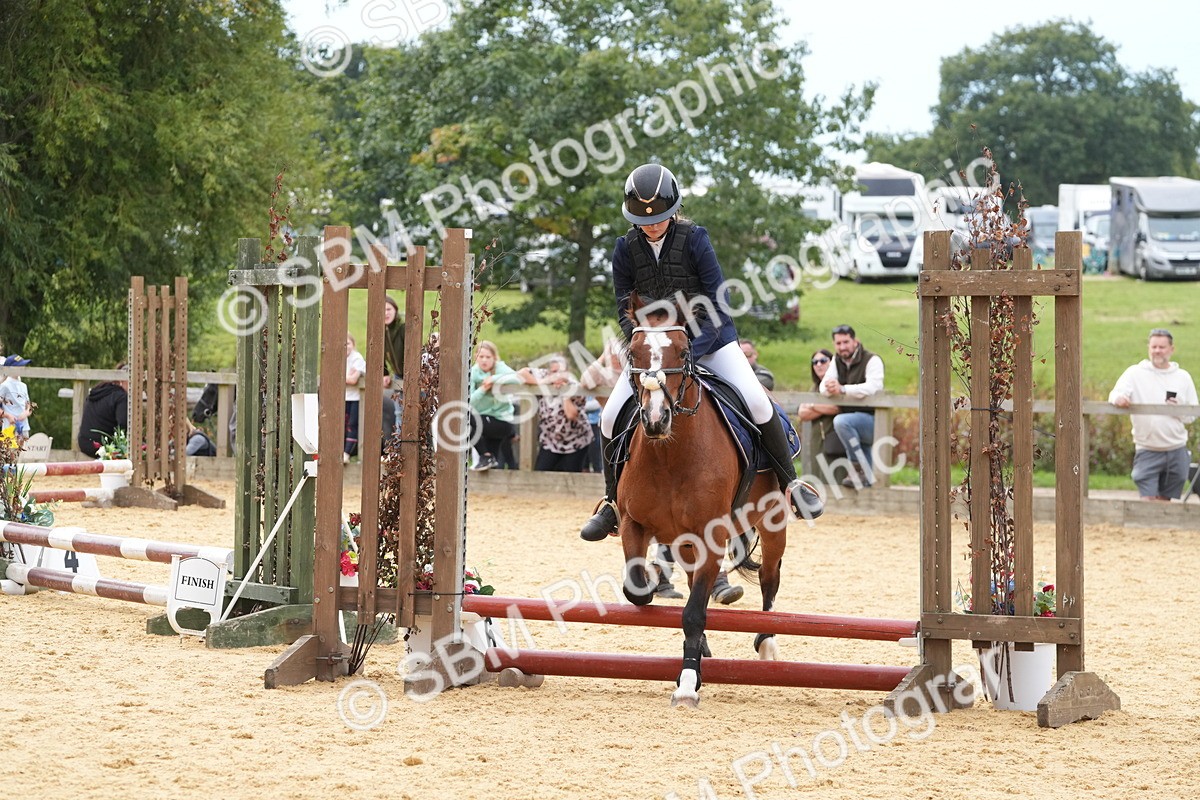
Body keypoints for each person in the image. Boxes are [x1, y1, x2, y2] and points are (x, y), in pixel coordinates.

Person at [580, 162, 822, 547]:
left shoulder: (695, 239)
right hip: (654, 352)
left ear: (673, 210)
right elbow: (624, 307)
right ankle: (611, 502)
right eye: (644, 221)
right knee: (610, 417)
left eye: (659, 218)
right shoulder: (625, 248)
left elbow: (718, 301)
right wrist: (641, 346)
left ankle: (792, 485)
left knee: (758, 403)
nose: (652, 225)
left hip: (711, 340)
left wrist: (692, 350)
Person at [1108, 328, 1198, 501]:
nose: (1157, 351)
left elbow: (1192, 415)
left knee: (1166, 502)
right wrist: (1119, 399)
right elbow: (1115, 395)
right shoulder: (1135, 373)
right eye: (1154, 347)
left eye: (1162, 347)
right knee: (1147, 499)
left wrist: (1179, 408)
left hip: (1176, 447)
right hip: (1147, 448)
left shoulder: (1183, 377)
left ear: (1172, 349)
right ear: (1149, 348)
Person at [820, 325, 885, 488]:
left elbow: (874, 388)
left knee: (841, 421)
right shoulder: (836, 360)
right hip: (854, 420)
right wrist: (831, 387)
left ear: (855, 341)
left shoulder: (872, 359)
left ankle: (856, 467)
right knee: (867, 467)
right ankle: (869, 489)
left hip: (875, 421)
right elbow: (823, 387)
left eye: (846, 342)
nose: (842, 347)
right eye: (838, 343)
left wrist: (842, 389)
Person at [517, 355, 593, 472]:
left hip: (575, 441)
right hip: (550, 440)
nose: (557, 375)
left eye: (561, 372)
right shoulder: (544, 375)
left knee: (570, 477)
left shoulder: (575, 387)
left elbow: (572, 415)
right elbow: (521, 373)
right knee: (541, 473)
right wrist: (543, 382)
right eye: (554, 372)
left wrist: (565, 396)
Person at [468, 340, 520, 471]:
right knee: (492, 465)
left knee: (463, 419)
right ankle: (487, 457)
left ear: (494, 358)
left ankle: (485, 455)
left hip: (501, 422)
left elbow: (518, 378)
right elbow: (469, 402)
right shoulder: (473, 372)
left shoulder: (499, 368)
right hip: (484, 421)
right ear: (476, 357)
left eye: (488, 357)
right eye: (481, 357)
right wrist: (483, 389)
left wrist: (494, 379)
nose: (484, 360)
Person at [797, 347, 843, 462]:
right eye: (814, 362)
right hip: (817, 442)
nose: (818, 364)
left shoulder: (837, 384)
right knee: (817, 479)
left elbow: (836, 408)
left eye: (823, 361)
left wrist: (812, 406)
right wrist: (822, 407)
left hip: (836, 443)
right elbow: (802, 414)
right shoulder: (814, 388)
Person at [77, 365, 129, 457]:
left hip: (84, 441)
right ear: (122, 381)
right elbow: (123, 425)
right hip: (101, 445)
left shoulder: (99, 391)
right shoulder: (121, 397)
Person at [381, 295, 406, 438]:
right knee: (398, 413)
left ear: (395, 310)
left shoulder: (402, 328)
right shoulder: (383, 331)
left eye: (389, 309)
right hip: (397, 375)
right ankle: (398, 450)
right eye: (383, 310)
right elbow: (381, 354)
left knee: (414, 414)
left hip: (412, 374)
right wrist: (385, 373)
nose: (386, 313)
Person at [0, 355, 34, 442]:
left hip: (24, 427)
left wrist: (26, 413)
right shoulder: (4, 386)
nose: (23, 368)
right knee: (10, 453)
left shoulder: (23, 386)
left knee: (22, 453)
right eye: (20, 366)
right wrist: (8, 416)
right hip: (9, 427)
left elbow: (29, 406)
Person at [344, 335, 366, 462]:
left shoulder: (356, 358)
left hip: (356, 397)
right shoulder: (340, 358)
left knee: (353, 424)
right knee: (344, 424)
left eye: (348, 343)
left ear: (353, 344)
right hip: (345, 396)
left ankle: (347, 453)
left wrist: (343, 377)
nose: (346, 346)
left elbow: (353, 380)